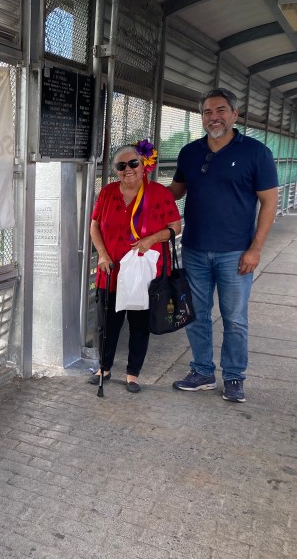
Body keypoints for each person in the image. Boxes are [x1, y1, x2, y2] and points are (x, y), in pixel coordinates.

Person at [170, 88, 279, 403]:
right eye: (207, 112)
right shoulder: (189, 153)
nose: (213, 117)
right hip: (194, 249)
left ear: (235, 114)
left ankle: (233, 377)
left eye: (220, 110)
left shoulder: (256, 153)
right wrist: (138, 177)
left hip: (235, 253)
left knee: (234, 317)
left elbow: (269, 204)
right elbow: (175, 192)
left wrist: (256, 248)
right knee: (196, 314)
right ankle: (203, 372)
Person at [89, 141, 182, 392]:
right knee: (107, 323)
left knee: (140, 324)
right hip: (111, 270)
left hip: (145, 273)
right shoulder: (107, 192)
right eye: (121, 165)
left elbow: (175, 227)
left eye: (133, 163)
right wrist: (101, 255)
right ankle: (104, 367)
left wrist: (151, 239)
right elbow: (94, 225)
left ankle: (133, 373)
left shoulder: (160, 194)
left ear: (144, 165)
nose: (127, 169)